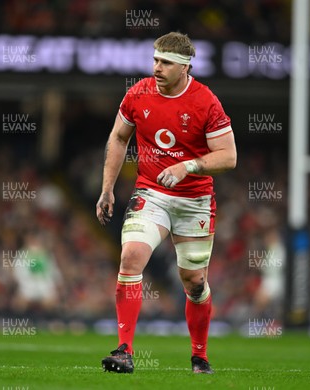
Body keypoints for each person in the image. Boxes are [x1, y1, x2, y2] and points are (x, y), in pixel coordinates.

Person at [96, 31, 236, 374]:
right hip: (151, 193)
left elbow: (229, 156)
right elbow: (118, 137)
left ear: (185, 68)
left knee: (194, 282)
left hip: (194, 200)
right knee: (130, 258)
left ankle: (199, 356)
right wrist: (107, 188)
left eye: (166, 63)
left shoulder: (206, 102)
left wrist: (188, 165)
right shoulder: (138, 93)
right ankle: (124, 350)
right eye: (155, 60)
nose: (157, 68)